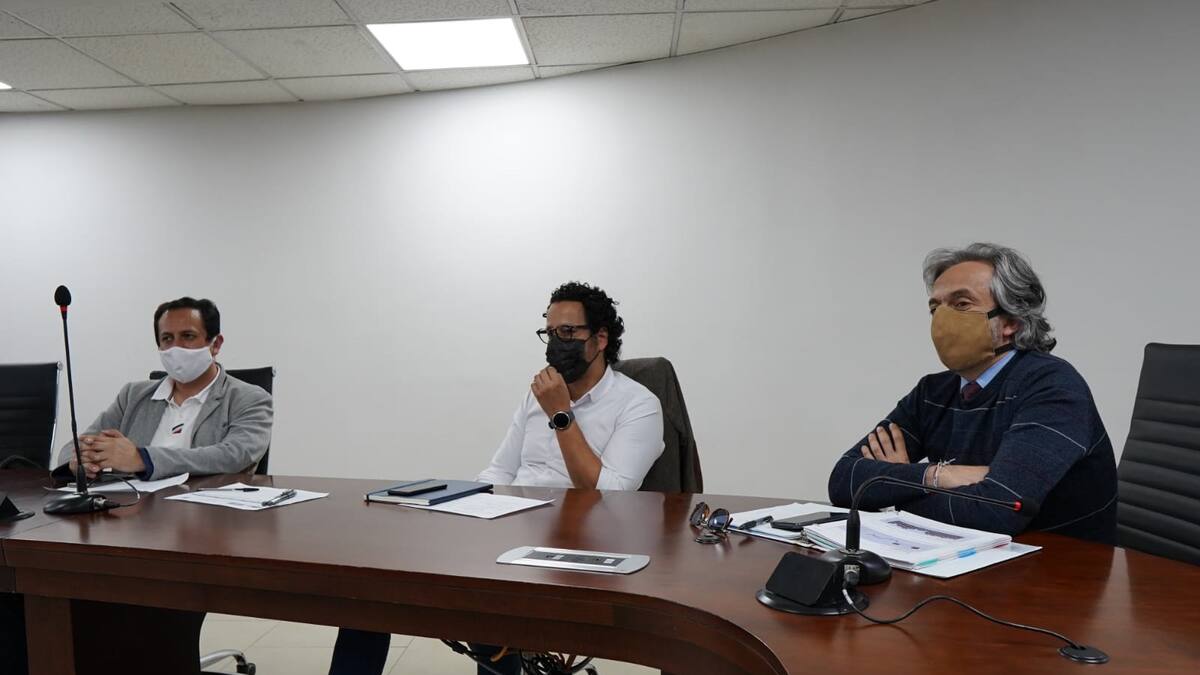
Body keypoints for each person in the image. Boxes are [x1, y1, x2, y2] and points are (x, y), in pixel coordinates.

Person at [330, 281, 664, 675]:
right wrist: (471, 510)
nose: (555, 344)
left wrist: (561, 414)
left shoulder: (638, 404)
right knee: (374, 589)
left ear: (601, 338)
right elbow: (500, 471)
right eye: (549, 332)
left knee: (487, 612)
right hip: (511, 530)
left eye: (567, 332)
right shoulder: (536, 397)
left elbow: (612, 494)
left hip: (577, 548)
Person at [827, 243, 1117, 544]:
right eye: (935, 308)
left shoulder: (1053, 386)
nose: (942, 320)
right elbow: (843, 480)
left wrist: (896, 485)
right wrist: (936, 476)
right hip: (966, 560)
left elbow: (996, 511)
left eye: (961, 304)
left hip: (1060, 565)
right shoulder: (932, 392)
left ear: (1011, 321)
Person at [57, 296, 272, 479]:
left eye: (188, 336)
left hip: (206, 511)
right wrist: (81, 461)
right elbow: (73, 448)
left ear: (215, 344)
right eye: (167, 338)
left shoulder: (250, 398)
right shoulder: (133, 395)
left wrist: (142, 459)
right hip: (136, 508)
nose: (175, 347)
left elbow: (234, 456)